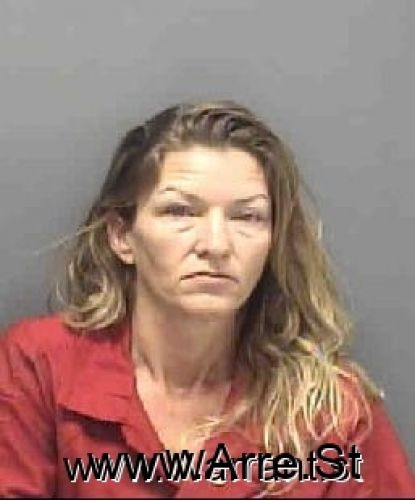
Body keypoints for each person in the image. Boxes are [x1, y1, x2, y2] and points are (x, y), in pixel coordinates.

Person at [0, 100, 414, 498]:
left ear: (273, 241)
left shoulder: (333, 411)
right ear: (122, 235)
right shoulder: (40, 365)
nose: (216, 245)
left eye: (247, 216)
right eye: (180, 212)